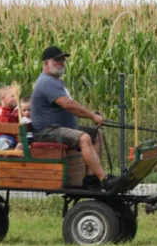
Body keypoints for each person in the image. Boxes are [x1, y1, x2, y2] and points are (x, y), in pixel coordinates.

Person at [30, 45, 110, 189]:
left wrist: (91, 114)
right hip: (47, 131)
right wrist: (91, 116)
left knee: (97, 134)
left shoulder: (55, 82)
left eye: (63, 60)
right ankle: (104, 179)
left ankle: (91, 179)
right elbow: (67, 104)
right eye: (57, 60)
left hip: (61, 128)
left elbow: (69, 105)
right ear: (46, 63)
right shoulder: (46, 82)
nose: (62, 62)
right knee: (84, 138)